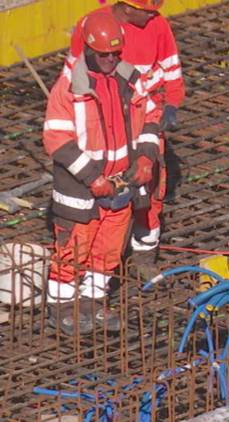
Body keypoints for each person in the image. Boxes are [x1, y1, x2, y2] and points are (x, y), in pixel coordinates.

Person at [44, 11, 162, 335]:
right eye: (104, 55)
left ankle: (94, 302)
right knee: (73, 249)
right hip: (81, 189)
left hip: (121, 183)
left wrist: (146, 157)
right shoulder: (69, 88)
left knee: (108, 250)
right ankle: (62, 306)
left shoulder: (130, 78)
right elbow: (56, 138)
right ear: (89, 51)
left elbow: (152, 116)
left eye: (116, 54)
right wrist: (91, 177)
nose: (111, 60)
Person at [65, 0, 185, 275]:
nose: (154, 13)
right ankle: (89, 260)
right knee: (99, 190)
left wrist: (170, 105)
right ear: (126, 7)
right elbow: (72, 77)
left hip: (146, 119)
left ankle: (143, 256)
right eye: (148, 8)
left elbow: (172, 76)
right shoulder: (93, 26)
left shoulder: (158, 26)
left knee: (149, 190)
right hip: (101, 125)